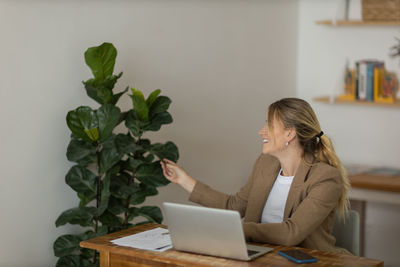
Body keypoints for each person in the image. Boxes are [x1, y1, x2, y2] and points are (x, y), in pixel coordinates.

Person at [160, 98, 351, 254]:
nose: (262, 132)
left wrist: (234, 230)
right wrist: (183, 180)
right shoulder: (265, 163)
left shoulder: (325, 178)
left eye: (269, 125)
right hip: (262, 256)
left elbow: (291, 233)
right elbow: (234, 206)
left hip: (306, 260)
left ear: (290, 134)